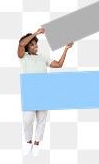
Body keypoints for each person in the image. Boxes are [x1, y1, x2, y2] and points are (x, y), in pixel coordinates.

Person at [18, 28, 73, 157]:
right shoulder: (23, 57)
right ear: (27, 48)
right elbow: (21, 44)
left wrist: (66, 49)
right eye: (31, 45)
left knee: (41, 120)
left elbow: (59, 64)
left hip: (43, 93)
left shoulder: (43, 58)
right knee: (27, 119)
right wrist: (36, 33)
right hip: (30, 94)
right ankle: (28, 142)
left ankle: (36, 144)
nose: (35, 46)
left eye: (35, 43)